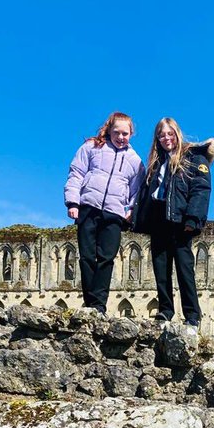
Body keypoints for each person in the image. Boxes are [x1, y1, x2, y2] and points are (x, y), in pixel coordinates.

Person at [133, 118, 214, 330]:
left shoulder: (194, 157)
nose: (166, 138)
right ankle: (165, 310)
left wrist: (193, 219)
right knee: (161, 269)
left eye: (170, 134)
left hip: (180, 221)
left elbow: (201, 189)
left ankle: (192, 315)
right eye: (162, 135)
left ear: (177, 134)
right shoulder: (156, 162)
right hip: (158, 219)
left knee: (184, 268)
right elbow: (146, 193)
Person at [64, 112, 145, 313]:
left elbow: (137, 191)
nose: (120, 137)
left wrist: (130, 211)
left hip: (114, 213)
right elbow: (76, 173)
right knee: (87, 256)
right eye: (116, 132)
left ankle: (99, 305)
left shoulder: (135, 161)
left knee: (106, 258)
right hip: (89, 207)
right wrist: (73, 202)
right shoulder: (92, 147)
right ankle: (90, 301)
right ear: (109, 130)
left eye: (125, 133)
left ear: (131, 134)